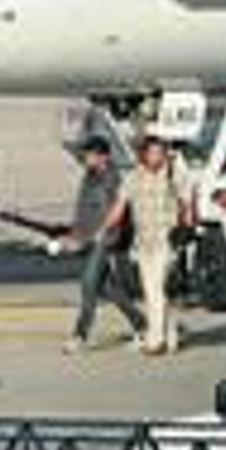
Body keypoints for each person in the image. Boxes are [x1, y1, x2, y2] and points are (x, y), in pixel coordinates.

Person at [61, 136, 145, 354]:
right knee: (109, 289)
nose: (84, 157)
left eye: (88, 154)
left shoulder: (112, 179)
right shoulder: (89, 176)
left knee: (89, 284)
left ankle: (79, 336)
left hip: (105, 239)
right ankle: (142, 325)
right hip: (91, 237)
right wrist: (75, 235)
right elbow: (83, 210)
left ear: (103, 156)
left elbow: (115, 213)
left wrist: (102, 236)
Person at [131, 136, 185, 355]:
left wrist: (184, 231)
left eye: (161, 152)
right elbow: (121, 203)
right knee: (157, 291)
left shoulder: (175, 174)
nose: (157, 156)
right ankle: (171, 335)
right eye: (153, 152)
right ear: (144, 154)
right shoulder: (134, 176)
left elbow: (188, 200)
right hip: (144, 242)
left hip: (166, 240)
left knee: (155, 291)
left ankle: (155, 340)